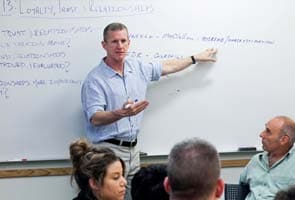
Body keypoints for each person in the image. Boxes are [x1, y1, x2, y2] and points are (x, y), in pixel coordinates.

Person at [81, 22, 217, 199]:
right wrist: (120, 113)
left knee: (136, 196)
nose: (120, 46)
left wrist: (194, 58)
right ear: (104, 45)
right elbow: (95, 118)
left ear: (129, 43)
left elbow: (167, 66)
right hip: (107, 150)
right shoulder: (95, 79)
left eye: (123, 41)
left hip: (133, 150)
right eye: (114, 41)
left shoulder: (137, 68)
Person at [240, 116, 295, 200]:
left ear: (283, 140)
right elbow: (242, 186)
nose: (261, 134)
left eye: (268, 131)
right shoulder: (256, 160)